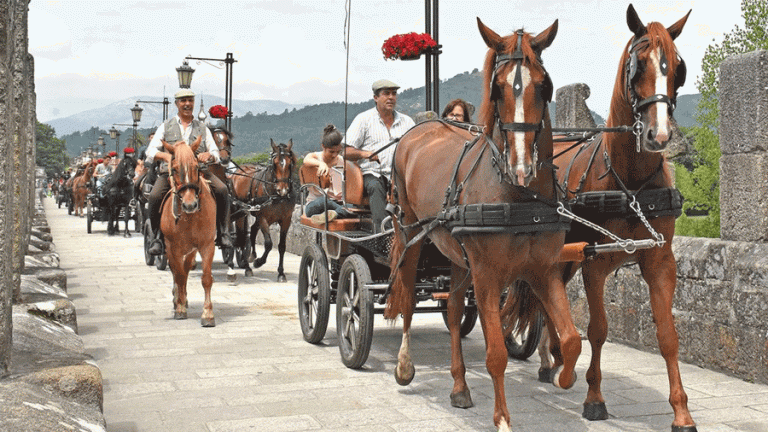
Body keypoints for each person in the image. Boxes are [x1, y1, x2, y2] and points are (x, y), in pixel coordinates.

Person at [145, 89, 231, 255]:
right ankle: (156, 237)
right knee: (155, 196)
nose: (187, 104)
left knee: (222, 190)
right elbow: (150, 151)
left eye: (190, 100)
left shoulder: (203, 128)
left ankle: (223, 232)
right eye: (183, 100)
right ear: (177, 104)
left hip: (199, 173)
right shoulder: (166, 126)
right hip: (172, 173)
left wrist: (209, 155)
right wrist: (165, 156)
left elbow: (215, 153)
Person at [344, 79, 415, 232]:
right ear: (375, 97)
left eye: (394, 94)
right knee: (376, 187)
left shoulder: (407, 122)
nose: (391, 97)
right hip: (372, 174)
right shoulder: (363, 120)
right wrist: (364, 153)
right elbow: (345, 152)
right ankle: (384, 235)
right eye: (386, 93)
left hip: (400, 176)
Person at [302, 125, 355, 224]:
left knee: (355, 207)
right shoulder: (315, 157)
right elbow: (306, 160)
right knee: (323, 201)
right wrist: (321, 164)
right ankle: (340, 212)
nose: (335, 155)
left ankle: (333, 214)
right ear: (323, 147)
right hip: (317, 204)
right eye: (331, 152)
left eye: (338, 152)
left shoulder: (342, 161)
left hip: (337, 202)